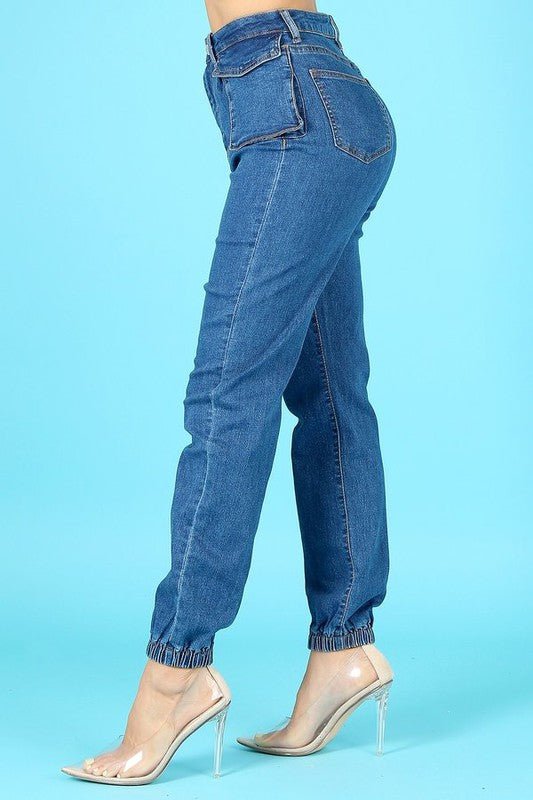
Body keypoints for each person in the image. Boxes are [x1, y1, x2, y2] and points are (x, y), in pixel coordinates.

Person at [61, 0, 397, 785]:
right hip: (313, 88)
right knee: (330, 395)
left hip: (289, 100)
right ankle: (343, 650)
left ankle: (175, 673)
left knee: (226, 398)